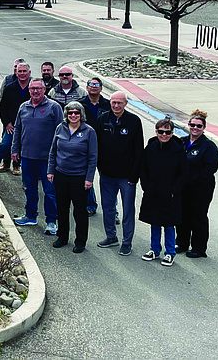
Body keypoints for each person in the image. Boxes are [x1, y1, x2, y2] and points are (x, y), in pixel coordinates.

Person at [11, 77, 64, 234]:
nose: (35, 91)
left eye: (38, 88)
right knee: (30, 189)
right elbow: (18, 129)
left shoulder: (54, 107)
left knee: (50, 191)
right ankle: (30, 216)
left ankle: (51, 221)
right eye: (32, 88)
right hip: (27, 157)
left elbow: (61, 132)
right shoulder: (23, 107)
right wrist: (15, 149)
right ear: (29, 90)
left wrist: (58, 155)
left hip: (47, 159)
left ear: (44, 90)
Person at [96, 91, 144, 256]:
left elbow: (138, 151)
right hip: (107, 175)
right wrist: (100, 168)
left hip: (126, 176)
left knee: (128, 210)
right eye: (113, 102)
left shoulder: (134, 121)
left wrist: (134, 175)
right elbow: (97, 146)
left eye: (119, 103)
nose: (116, 106)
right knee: (108, 208)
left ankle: (126, 242)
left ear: (125, 103)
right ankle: (111, 237)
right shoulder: (103, 119)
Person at [47, 101, 98, 253]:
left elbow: (93, 157)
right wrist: (51, 171)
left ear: (81, 114)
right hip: (61, 175)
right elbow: (53, 151)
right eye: (70, 113)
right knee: (62, 208)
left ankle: (81, 241)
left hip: (79, 177)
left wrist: (89, 178)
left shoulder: (89, 132)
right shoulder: (60, 128)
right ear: (66, 115)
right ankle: (62, 237)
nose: (73, 115)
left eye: (76, 113)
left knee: (79, 210)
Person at [138, 117, 187, 267]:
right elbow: (143, 168)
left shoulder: (178, 150)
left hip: (170, 194)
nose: (164, 135)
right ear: (156, 131)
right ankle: (154, 249)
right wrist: (146, 185)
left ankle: (170, 252)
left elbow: (184, 173)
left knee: (169, 224)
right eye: (161, 131)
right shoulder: (150, 147)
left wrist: (174, 190)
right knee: (154, 221)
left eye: (167, 132)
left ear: (172, 133)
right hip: (153, 191)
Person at [176, 110, 218, 258]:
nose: (195, 128)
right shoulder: (181, 142)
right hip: (183, 187)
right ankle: (181, 243)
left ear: (203, 127)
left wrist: (192, 179)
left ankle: (199, 248)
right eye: (192, 125)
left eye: (199, 126)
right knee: (182, 215)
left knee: (198, 217)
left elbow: (211, 168)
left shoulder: (208, 146)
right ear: (188, 125)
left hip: (201, 189)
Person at [0, 62, 31, 181]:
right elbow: (2, 108)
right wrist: (7, 123)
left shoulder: (33, 89)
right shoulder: (10, 88)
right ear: (16, 72)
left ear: (29, 73)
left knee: (27, 154)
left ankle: (27, 182)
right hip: (12, 127)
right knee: (3, 147)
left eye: (24, 71)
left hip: (29, 128)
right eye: (20, 71)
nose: (22, 74)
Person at [80, 77, 111, 216]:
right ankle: (90, 204)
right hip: (86, 146)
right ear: (86, 87)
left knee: (108, 179)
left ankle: (112, 210)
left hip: (105, 147)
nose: (93, 86)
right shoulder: (80, 105)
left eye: (96, 84)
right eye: (91, 84)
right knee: (87, 175)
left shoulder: (108, 105)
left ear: (101, 88)